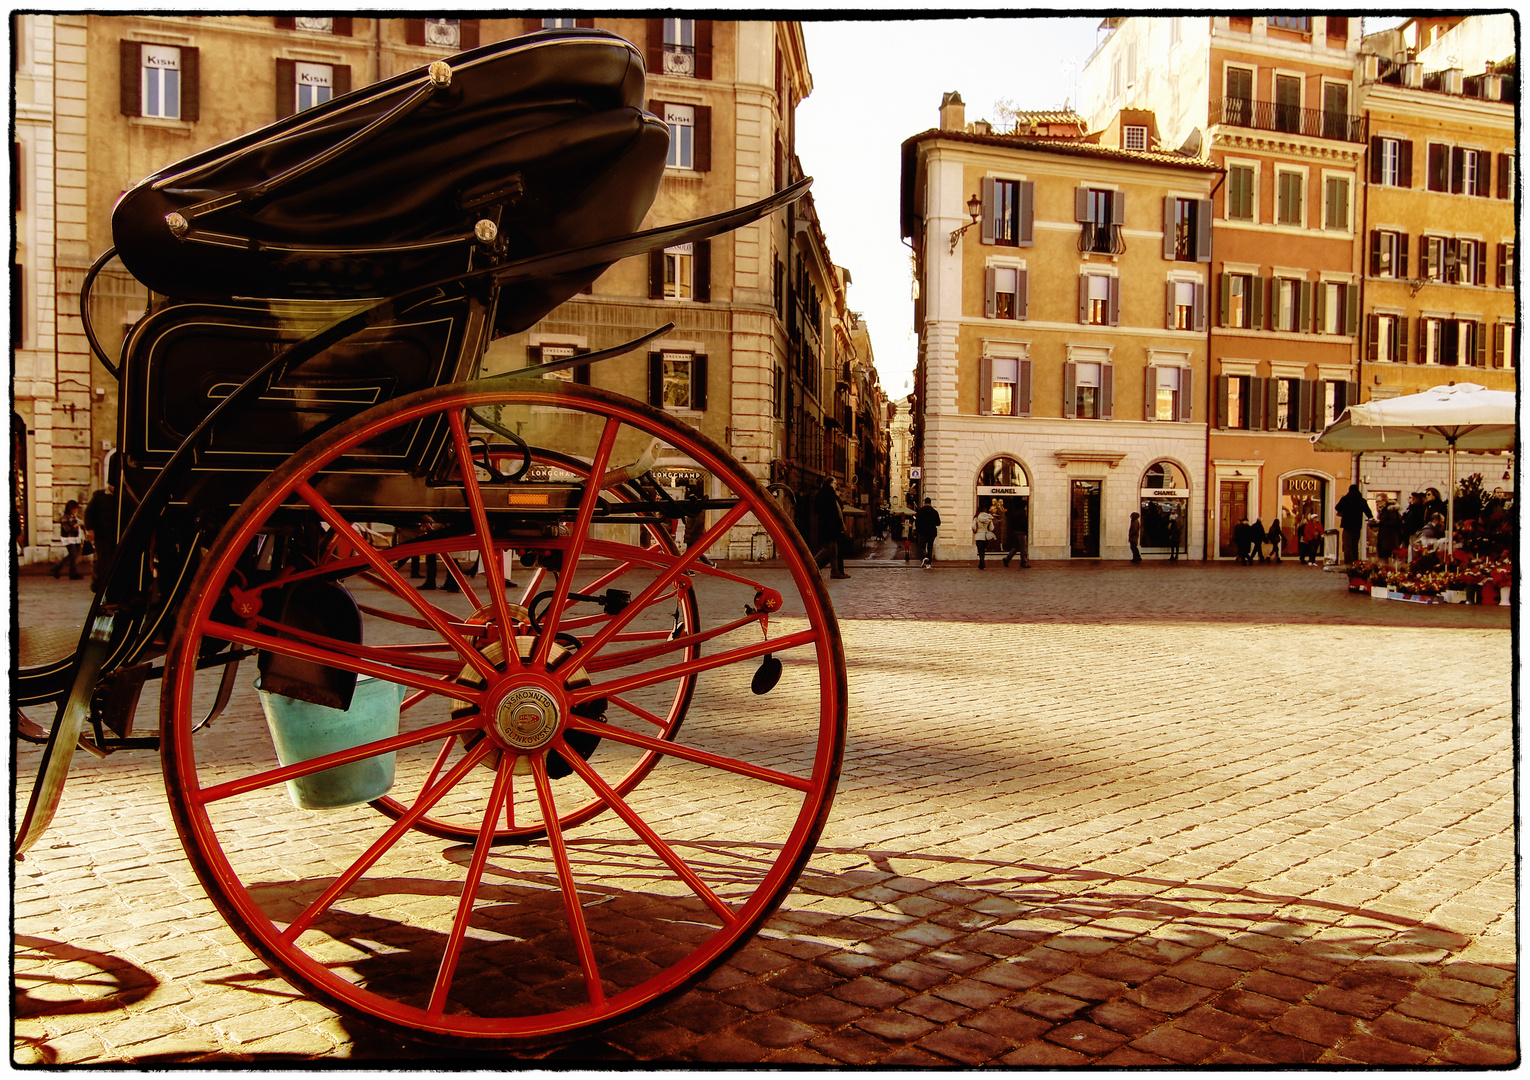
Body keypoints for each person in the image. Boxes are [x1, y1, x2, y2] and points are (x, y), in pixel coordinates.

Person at [83, 462, 119, 593]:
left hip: (115, 534)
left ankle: (111, 584)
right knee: (102, 561)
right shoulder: (99, 496)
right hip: (101, 534)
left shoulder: (121, 497)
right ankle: (98, 584)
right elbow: (88, 513)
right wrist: (90, 529)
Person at [814, 478, 849, 579]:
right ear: (830, 483)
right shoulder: (829, 495)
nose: (836, 485)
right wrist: (839, 525)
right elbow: (834, 513)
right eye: (834, 483)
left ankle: (835, 571)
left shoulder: (821, 494)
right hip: (829, 527)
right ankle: (810, 566)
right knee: (828, 549)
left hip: (826, 526)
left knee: (834, 550)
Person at [1335, 483, 1374, 565]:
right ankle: (1355, 561)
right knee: (1355, 544)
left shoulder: (1345, 499)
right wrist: (1371, 518)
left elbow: (1337, 507)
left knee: (1347, 544)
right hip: (1357, 525)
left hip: (1347, 525)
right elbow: (1368, 512)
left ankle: (1348, 561)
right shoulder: (1362, 500)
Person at [51, 500, 83, 580]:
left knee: (73, 555)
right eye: (74, 508)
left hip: (74, 538)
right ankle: (57, 567)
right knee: (72, 554)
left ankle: (72, 572)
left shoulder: (73, 516)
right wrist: (77, 525)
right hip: (68, 538)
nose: (75, 510)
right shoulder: (65, 517)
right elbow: (67, 528)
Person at [1374, 495, 1404, 564]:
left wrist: (1380, 522)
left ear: (1384, 501)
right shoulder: (1383, 510)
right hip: (1385, 539)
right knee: (1384, 559)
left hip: (1389, 539)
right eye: (1376, 501)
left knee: (1387, 560)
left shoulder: (1390, 510)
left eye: (1378, 501)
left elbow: (1393, 523)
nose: (1377, 503)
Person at [1002, 498, 1030, 568]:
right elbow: (1024, 523)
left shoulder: (1014, 513)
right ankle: (1023, 562)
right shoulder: (1022, 513)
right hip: (1021, 532)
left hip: (1015, 531)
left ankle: (1007, 558)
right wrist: (1026, 531)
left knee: (1017, 547)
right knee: (1023, 548)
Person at [914, 497, 940, 568]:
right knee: (930, 547)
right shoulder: (934, 512)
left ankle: (924, 557)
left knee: (922, 546)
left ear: (924, 502)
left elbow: (917, 523)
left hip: (922, 532)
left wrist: (918, 530)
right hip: (932, 532)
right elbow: (938, 523)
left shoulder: (920, 511)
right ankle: (929, 564)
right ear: (930, 503)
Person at [972, 503, 995, 569]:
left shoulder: (976, 518)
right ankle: (981, 563)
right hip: (985, 536)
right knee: (983, 550)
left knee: (980, 550)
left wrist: (975, 531)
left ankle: (982, 562)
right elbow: (991, 528)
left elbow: (973, 527)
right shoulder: (989, 518)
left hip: (978, 536)